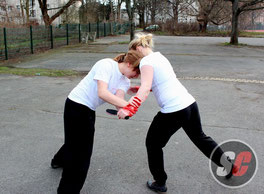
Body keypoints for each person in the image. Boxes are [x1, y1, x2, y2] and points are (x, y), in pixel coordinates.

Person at [117, 33, 238, 193]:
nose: (134, 58)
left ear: (138, 48)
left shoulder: (146, 61)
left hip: (173, 110)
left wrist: (129, 108)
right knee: (200, 138)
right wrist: (139, 89)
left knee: (153, 144)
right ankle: (227, 164)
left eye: (134, 53)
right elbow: (162, 82)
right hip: (189, 103)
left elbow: (145, 89)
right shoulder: (160, 57)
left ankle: (159, 182)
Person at [51, 50, 143, 194]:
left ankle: (58, 160)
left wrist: (127, 107)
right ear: (129, 63)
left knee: (75, 143)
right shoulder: (106, 65)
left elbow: (118, 102)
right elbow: (103, 93)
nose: (137, 76)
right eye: (137, 71)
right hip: (75, 105)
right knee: (81, 155)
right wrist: (130, 105)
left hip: (88, 110)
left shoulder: (125, 81)